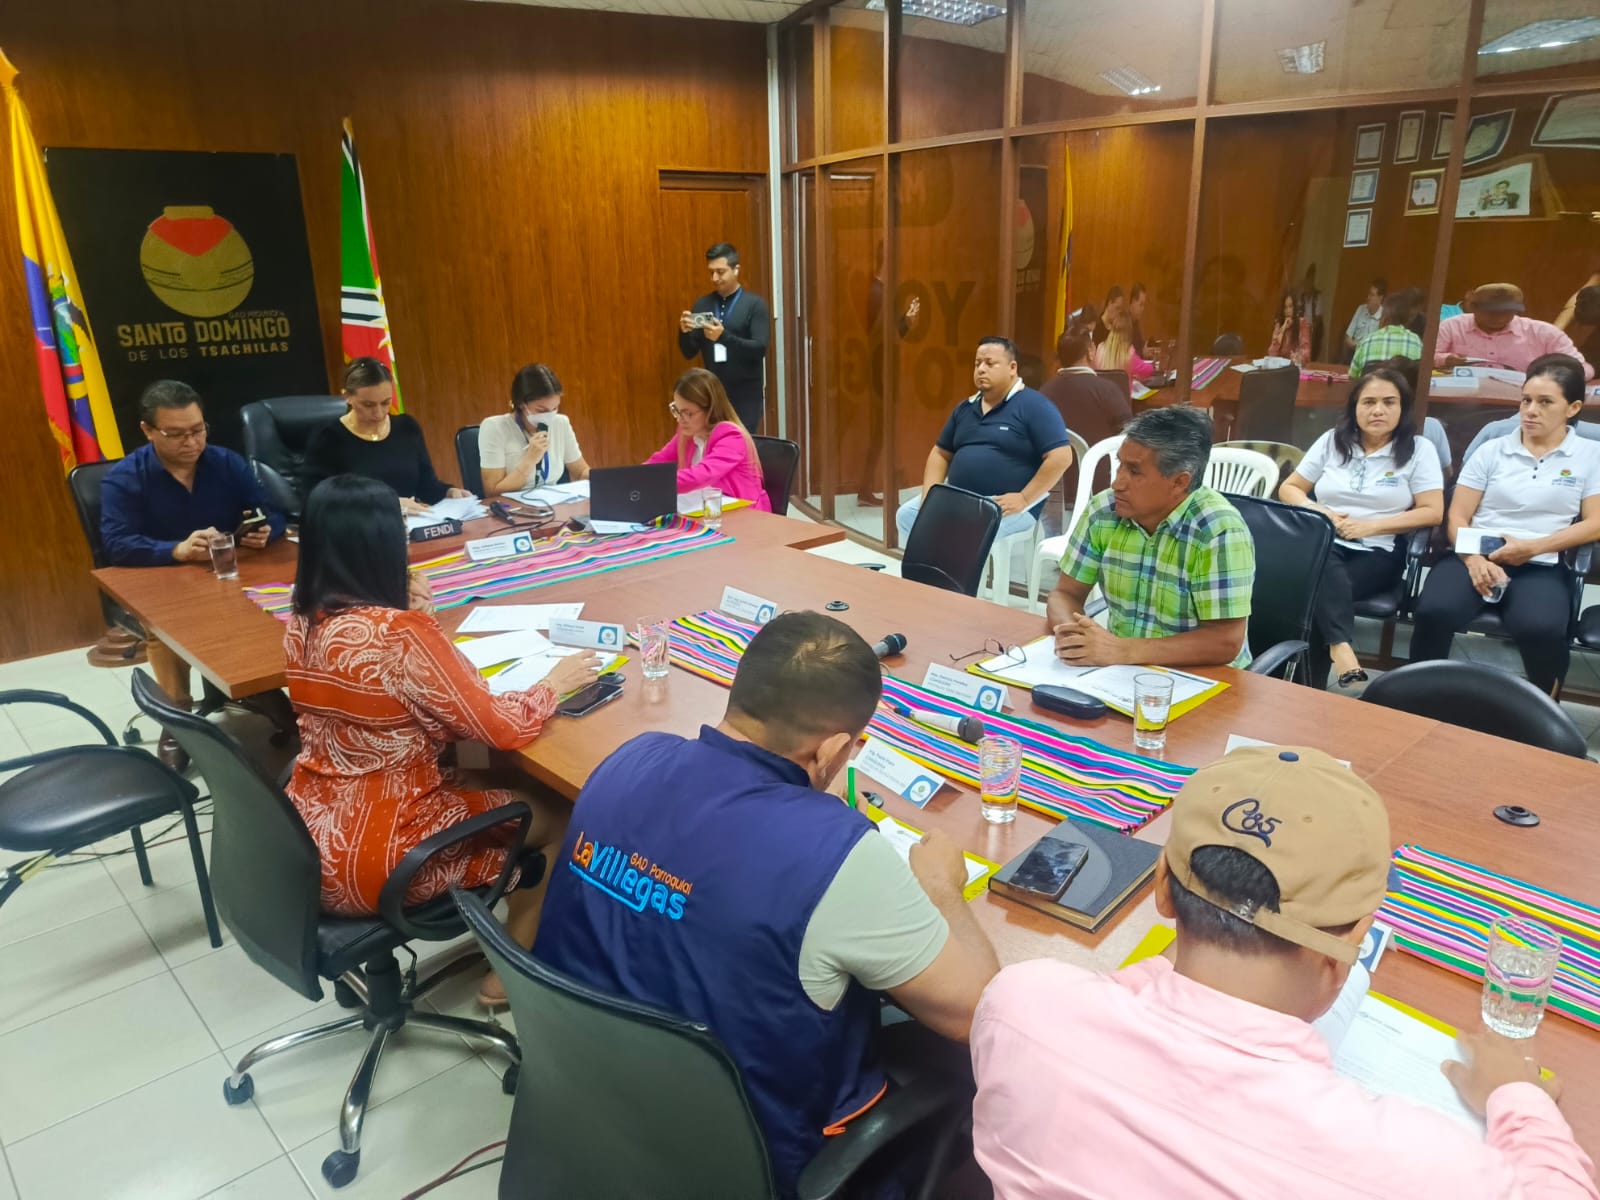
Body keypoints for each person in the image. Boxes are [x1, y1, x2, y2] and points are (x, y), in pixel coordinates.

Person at [970, 745, 1598, 1199]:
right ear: (1352, 943)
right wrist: (1518, 1098)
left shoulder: (1021, 1004)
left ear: (1161, 887)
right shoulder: (1421, 1167)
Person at [534, 611, 1000, 1197]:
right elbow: (982, 1012)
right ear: (833, 749)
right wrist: (944, 892)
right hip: (754, 1162)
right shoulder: (839, 856)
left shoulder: (632, 757)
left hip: (590, 1100)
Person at [283, 474, 599, 1005]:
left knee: (478, 772)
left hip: (307, 843)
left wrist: (420, 624)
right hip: (384, 858)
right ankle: (512, 975)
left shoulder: (300, 619)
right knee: (565, 812)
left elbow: (413, 712)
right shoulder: (399, 634)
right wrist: (552, 684)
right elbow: (497, 726)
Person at [101, 379, 286, 770]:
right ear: (148, 430)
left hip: (231, 574)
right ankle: (177, 717)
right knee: (165, 629)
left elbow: (272, 511)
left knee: (280, 601)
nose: (191, 442)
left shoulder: (226, 463)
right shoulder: (125, 477)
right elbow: (116, 544)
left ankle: (262, 687)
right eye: (176, 434)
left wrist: (267, 530)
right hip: (163, 585)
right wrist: (175, 550)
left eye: (198, 430)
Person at [1411, 354, 1600, 694]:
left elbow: (1595, 523)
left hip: (1540, 562)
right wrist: (1473, 559)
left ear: (1572, 408)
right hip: (1474, 555)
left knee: (1541, 628)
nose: (1530, 411)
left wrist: (1533, 547)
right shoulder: (1493, 449)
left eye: (1545, 402)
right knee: (1434, 611)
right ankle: (1417, 697)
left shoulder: (1590, 455)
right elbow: (1457, 516)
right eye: (1526, 400)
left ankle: (1543, 710)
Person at [1046, 406, 1255, 669]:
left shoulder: (1218, 530)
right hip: (1118, 670)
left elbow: (1224, 641)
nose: (1117, 483)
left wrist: (1122, 650)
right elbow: (1064, 594)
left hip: (1202, 675)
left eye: (1134, 471)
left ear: (1179, 482)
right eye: (1120, 465)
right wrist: (1073, 636)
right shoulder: (1104, 510)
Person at [1279, 368, 1444, 688]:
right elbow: (1290, 488)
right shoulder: (1332, 441)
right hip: (1326, 541)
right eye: (1368, 402)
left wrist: (1370, 526)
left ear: (1402, 408)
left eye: (1389, 402)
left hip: (1377, 550)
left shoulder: (1418, 450)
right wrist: (1322, 512)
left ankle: (1305, 687)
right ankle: (1339, 648)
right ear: (1354, 407)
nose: (1378, 410)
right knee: (1322, 566)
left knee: (1312, 592)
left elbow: (1433, 511)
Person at [895, 336, 1074, 544]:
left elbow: (1061, 456)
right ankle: (928, 565)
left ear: (1012, 368)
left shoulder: (1035, 406)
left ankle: (949, 564)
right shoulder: (965, 408)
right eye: (977, 363)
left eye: (989, 363)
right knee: (907, 516)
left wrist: (1024, 498)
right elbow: (940, 453)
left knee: (960, 531)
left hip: (1005, 504)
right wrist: (929, 498)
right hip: (958, 499)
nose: (981, 369)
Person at [306, 358, 473, 514]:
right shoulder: (328, 437)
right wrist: (389, 503)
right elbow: (318, 500)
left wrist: (448, 492)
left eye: (386, 403)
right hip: (360, 527)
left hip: (411, 524)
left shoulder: (407, 427)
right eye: (368, 405)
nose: (379, 413)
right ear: (347, 397)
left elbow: (426, 485)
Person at [677, 241, 771, 432]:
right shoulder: (702, 304)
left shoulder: (754, 305)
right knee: (712, 441)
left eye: (720, 272)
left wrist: (724, 337)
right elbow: (689, 352)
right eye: (711, 272)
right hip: (710, 395)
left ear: (736, 270)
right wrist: (684, 332)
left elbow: (759, 349)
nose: (715, 278)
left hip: (746, 395)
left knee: (741, 443)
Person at [647, 366, 771, 510]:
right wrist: (636, 477)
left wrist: (655, 482)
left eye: (688, 413)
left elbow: (702, 475)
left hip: (743, 514)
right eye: (677, 411)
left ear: (710, 409)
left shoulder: (732, 436)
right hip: (708, 509)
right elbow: (659, 460)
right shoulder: (687, 433)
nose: (680, 419)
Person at [856, 240, 922, 506]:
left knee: (882, 432)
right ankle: (866, 487)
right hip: (879, 370)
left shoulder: (883, 291)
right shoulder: (878, 292)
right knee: (880, 432)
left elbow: (891, 333)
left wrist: (907, 321)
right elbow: (880, 338)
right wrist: (904, 323)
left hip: (883, 369)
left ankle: (867, 487)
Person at [477, 363, 592, 496]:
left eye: (555, 408)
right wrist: (530, 460)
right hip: (513, 505)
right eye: (541, 410)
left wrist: (602, 479)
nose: (549, 415)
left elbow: (580, 471)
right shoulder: (494, 427)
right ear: (521, 403)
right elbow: (492, 492)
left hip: (554, 503)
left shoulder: (561, 423)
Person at [1435, 283, 1593, 379]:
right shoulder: (1451, 326)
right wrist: (1446, 359)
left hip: (1521, 401)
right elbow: (1428, 358)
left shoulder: (1544, 333)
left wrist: (1554, 376)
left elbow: (1583, 368)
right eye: (1491, 312)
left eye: (1507, 312)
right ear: (1472, 308)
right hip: (1462, 397)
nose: (1499, 317)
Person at [1039, 326, 1131, 451]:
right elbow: (1129, 435)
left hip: (1055, 463)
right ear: (1090, 352)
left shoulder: (1043, 393)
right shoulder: (1108, 390)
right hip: (1100, 463)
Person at [1350, 290, 1423, 376]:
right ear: (1407, 318)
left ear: (1384, 316)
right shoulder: (1416, 342)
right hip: (1403, 385)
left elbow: (1353, 377)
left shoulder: (1367, 341)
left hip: (1371, 384)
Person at [1095, 310, 1154, 381]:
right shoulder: (1129, 353)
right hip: (1124, 388)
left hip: (1103, 388)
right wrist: (1154, 364)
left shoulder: (1100, 348)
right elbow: (1148, 370)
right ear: (1129, 331)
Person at [1343, 277, 1387, 357]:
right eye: (1369, 294)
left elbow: (1382, 345)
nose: (1368, 297)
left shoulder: (1384, 315)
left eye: (1372, 295)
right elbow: (1348, 337)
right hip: (1354, 352)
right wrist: (1356, 347)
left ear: (1380, 298)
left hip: (1371, 356)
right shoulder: (1361, 309)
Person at [1268, 289, 1311, 365]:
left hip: (1296, 367)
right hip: (1281, 368)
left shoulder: (1302, 324)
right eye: (1285, 307)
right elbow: (1271, 354)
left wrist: (1298, 357)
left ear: (1295, 308)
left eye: (1290, 306)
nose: (1288, 311)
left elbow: (1306, 352)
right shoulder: (1279, 325)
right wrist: (1282, 330)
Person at [1128, 282, 1150, 356]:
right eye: (1141, 304)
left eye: (1143, 305)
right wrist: (1142, 352)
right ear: (1133, 301)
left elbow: (1140, 345)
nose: (1142, 309)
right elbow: (1125, 354)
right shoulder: (1124, 324)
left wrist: (1148, 347)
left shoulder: (1135, 322)